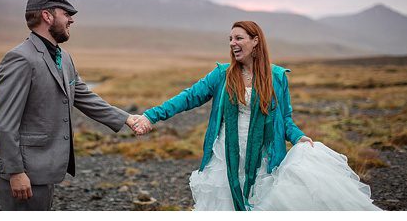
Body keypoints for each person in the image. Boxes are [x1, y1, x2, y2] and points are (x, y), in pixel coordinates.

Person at [132, 21, 381, 211]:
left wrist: (299, 138)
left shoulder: (277, 77)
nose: (232, 43)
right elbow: (187, 97)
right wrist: (151, 116)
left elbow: (285, 119)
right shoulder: (222, 74)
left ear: (255, 42)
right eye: (230, 39)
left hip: (264, 154)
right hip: (225, 154)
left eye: (239, 38)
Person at [0, 0, 147, 210]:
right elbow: (4, 122)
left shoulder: (64, 58)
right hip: (24, 170)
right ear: (47, 16)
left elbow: (83, 96)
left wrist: (126, 118)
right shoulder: (20, 59)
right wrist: (16, 172)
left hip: (47, 169)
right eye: (66, 13)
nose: (71, 19)